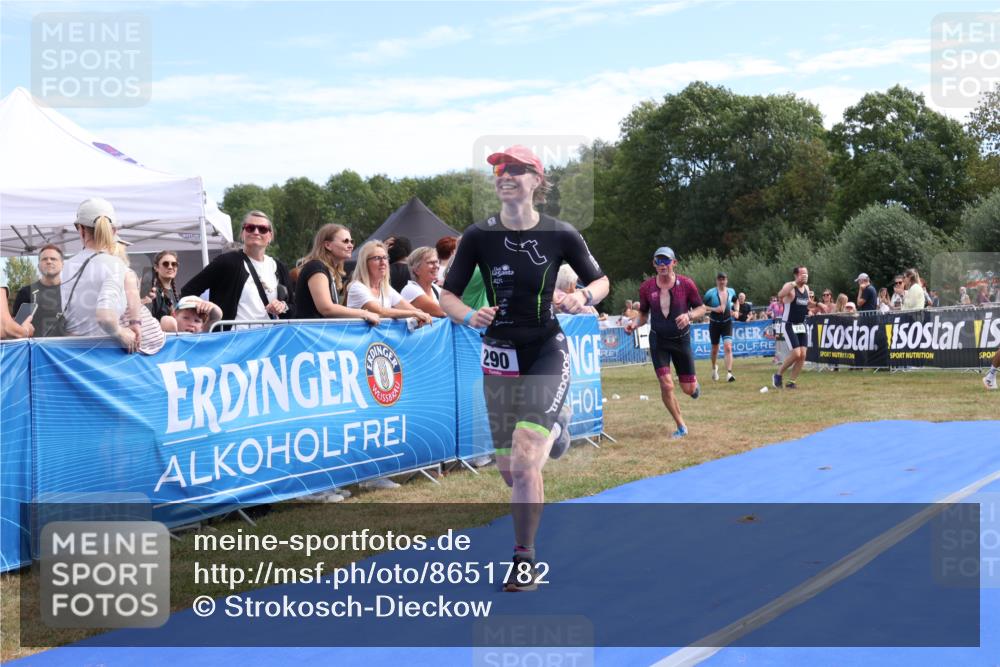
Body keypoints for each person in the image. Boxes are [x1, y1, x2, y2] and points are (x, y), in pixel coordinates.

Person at [440, 144, 609, 592]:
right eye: (498, 169)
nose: (504, 175)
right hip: (498, 354)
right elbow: (446, 294)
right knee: (510, 471)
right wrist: (465, 314)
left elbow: (601, 279)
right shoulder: (478, 235)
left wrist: (583, 297)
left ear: (537, 180)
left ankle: (524, 560)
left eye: (515, 168)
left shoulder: (561, 233)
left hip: (545, 349)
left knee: (524, 455)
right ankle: (556, 429)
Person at [625, 246, 705, 438]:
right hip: (659, 340)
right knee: (667, 385)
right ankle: (681, 426)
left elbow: (701, 308)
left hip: (681, 339)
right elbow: (643, 314)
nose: (662, 265)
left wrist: (689, 315)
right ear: (654, 264)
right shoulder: (646, 287)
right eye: (658, 261)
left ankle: (694, 386)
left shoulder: (686, 284)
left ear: (674, 263)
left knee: (688, 389)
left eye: (666, 261)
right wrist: (634, 323)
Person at [181, 211, 294, 329]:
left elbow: (294, 307)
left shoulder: (279, 267)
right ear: (242, 233)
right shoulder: (226, 262)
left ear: (270, 236)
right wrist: (203, 310)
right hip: (233, 341)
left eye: (262, 229)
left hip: (269, 341)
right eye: (250, 228)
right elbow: (188, 291)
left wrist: (282, 307)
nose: (256, 232)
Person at [59, 198, 138, 352]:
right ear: (114, 231)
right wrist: (121, 332)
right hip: (105, 354)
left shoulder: (66, 266)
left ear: (80, 229)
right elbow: (105, 317)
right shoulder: (115, 264)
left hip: (71, 353)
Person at [294, 224, 380, 324]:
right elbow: (326, 308)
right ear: (327, 245)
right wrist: (364, 313)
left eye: (351, 241)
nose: (351, 245)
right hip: (309, 334)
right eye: (345, 241)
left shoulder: (326, 269)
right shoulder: (316, 267)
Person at [347, 241, 433, 325]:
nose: (383, 262)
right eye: (377, 258)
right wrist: (414, 314)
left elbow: (411, 309)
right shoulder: (357, 287)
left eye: (385, 258)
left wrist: (419, 314)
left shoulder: (385, 288)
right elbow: (379, 312)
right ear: (365, 263)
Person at [773, 266, 810, 390]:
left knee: (803, 355)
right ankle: (778, 374)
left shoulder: (807, 288)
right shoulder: (790, 286)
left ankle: (791, 381)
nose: (805, 276)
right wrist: (795, 283)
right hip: (789, 324)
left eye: (806, 274)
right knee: (796, 353)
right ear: (796, 275)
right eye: (802, 274)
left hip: (801, 325)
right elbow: (780, 295)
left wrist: (818, 306)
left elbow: (807, 304)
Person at [13, 244, 63, 337]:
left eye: (53, 259)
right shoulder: (26, 292)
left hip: (66, 349)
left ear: (62, 264)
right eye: (44, 259)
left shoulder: (71, 291)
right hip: (35, 349)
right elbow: (17, 327)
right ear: (38, 265)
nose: (49, 261)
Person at [703, 271, 737, 382]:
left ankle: (729, 374)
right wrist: (714, 309)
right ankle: (714, 368)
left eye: (724, 279)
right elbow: (701, 306)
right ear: (717, 281)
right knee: (714, 349)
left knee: (728, 347)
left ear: (726, 280)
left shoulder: (731, 291)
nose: (722, 281)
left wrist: (736, 310)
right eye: (720, 279)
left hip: (727, 322)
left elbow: (736, 302)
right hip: (714, 323)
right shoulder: (710, 293)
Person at [400, 247, 446, 317]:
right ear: (416, 270)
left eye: (437, 262)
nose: (436, 266)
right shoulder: (410, 289)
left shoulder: (436, 289)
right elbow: (443, 311)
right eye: (431, 263)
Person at [142, 251, 181, 321]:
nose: (170, 267)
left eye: (174, 264)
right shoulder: (151, 291)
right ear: (156, 268)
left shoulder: (175, 294)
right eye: (165, 264)